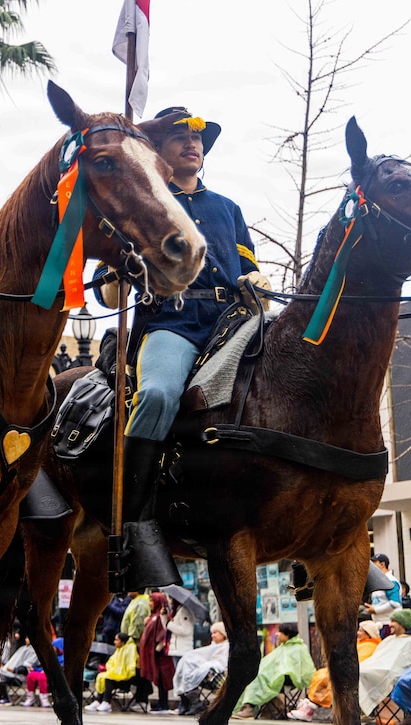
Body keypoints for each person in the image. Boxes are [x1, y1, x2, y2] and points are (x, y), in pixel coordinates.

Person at [94, 106, 269, 590]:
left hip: (230, 319)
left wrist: (256, 279)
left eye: (197, 138)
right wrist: (115, 280)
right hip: (172, 319)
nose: (192, 144)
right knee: (156, 395)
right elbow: (106, 283)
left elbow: (247, 262)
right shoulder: (142, 202)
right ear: (159, 153)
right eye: (178, 137)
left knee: (290, 370)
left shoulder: (227, 209)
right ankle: (135, 519)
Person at [289, 620, 381, 720]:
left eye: (361, 631)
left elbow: (357, 661)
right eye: (358, 630)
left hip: (351, 673)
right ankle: (309, 706)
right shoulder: (361, 644)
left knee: (327, 677)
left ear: (369, 634)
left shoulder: (369, 646)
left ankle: (309, 708)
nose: (358, 633)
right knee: (322, 674)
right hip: (346, 670)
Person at [232, 623, 315, 718]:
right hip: (280, 673)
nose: (277, 634)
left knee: (259, 678)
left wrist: (275, 671)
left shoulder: (298, 648)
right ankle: (258, 707)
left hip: (292, 677)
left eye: (280, 632)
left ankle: (250, 708)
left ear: (287, 635)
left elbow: (294, 668)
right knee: (253, 675)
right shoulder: (283, 647)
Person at [359, 608, 411, 716]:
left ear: (401, 623)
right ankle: (365, 710)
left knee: (363, 673)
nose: (390, 625)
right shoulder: (388, 640)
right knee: (359, 671)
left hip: (394, 674)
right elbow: (376, 659)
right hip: (378, 669)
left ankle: (368, 711)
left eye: (393, 621)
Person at [173, 622, 229, 715]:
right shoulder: (212, 646)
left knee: (193, 668)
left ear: (223, 634)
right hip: (206, 672)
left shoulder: (226, 647)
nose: (213, 635)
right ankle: (187, 701)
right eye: (212, 633)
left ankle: (194, 702)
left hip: (216, 676)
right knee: (186, 662)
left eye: (216, 632)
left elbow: (221, 662)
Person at [84, 632, 147, 712]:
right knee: (102, 676)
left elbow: (129, 666)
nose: (114, 642)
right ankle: (98, 700)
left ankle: (106, 702)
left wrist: (116, 673)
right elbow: (111, 663)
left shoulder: (130, 650)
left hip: (126, 678)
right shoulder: (118, 650)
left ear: (123, 642)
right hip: (117, 675)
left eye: (117, 640)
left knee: (108, 679)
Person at [140, 592, 176, 713]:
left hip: (159, 655)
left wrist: (157, 650)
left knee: (162, 678)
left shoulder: (160, 617)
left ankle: (164, 704)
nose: (149, 603)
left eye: (151, 601)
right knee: (158, 678)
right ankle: (161, 703)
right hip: (152, 653)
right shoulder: (153, 616)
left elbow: (162, 635)